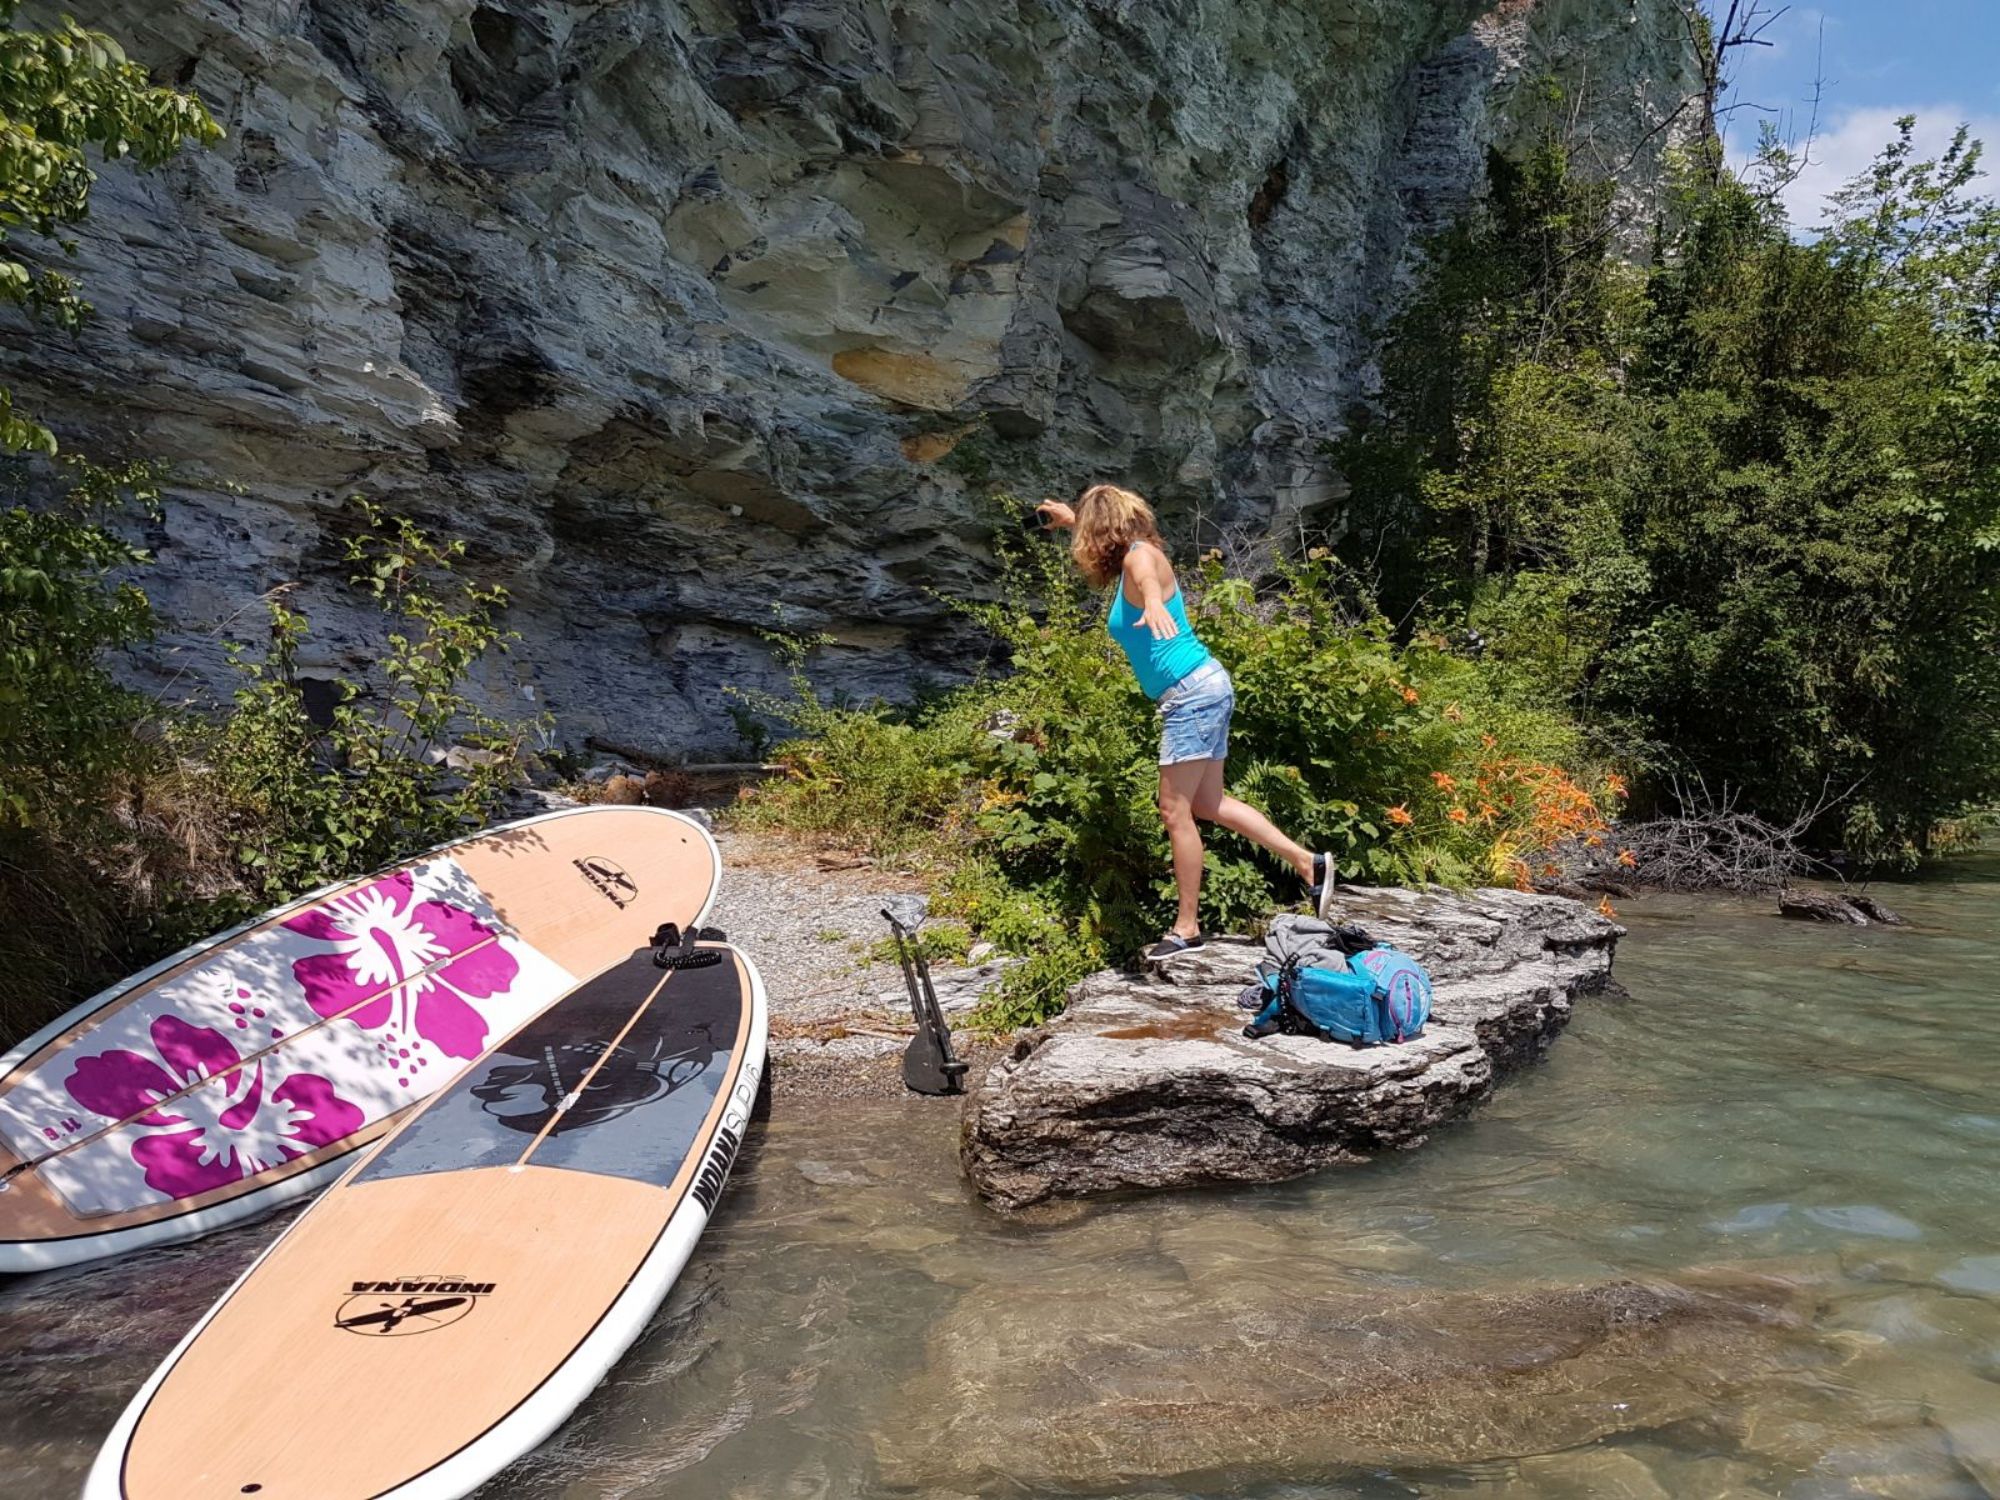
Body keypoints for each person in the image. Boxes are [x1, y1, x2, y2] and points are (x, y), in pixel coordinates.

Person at [1035, 483, 1335, 959]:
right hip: (1204, 686)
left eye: (1086, 529)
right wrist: (1071, 518)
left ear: (1104, 530)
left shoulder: (1140, 558)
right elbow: (1128, 556)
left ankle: (1187, 926)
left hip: (1191, 695)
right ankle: (1306, 862)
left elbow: (1146, 575)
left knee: (1175, 811)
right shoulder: (1139, 549)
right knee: (1209, 804)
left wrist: (1153, 603)